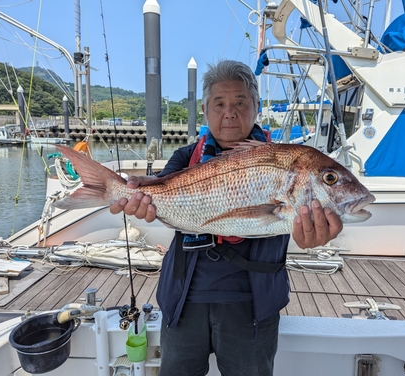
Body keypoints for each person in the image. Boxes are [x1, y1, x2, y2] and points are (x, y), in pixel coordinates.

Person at [110, 60, 343, 376]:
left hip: (253, 304)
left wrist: (313, 236)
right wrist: (141, 203)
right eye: (219, 104)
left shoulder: (285, 162)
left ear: (257, 107)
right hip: (184, 298)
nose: (229, 112)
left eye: (240, 103)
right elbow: (162, 203)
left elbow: (297, 230)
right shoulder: (184, 158)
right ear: (205, 110)